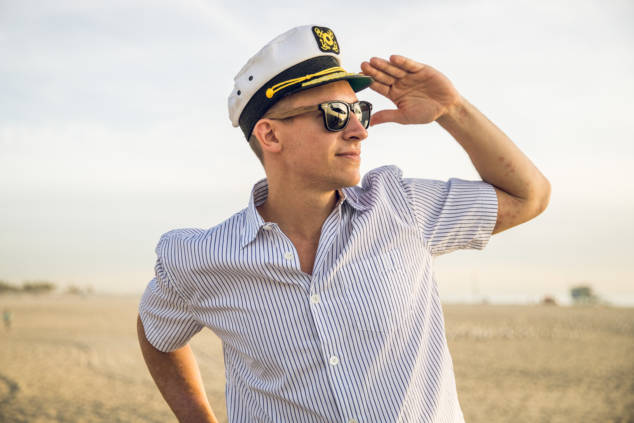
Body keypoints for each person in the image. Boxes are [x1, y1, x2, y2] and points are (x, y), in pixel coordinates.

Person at [137, 25, 550, 423]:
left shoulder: (402, 207)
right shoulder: (198, 258)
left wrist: (453, 110)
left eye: (360, 112)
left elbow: (528, 197)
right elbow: (157, 333)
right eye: (335, 114)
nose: (359, 131)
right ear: (270, 136)